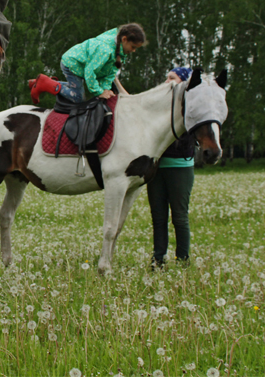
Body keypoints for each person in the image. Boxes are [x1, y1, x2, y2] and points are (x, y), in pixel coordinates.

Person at [147, 67, 195, 269]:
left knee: (179, 217)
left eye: (172, 78)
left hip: (180, 167)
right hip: (156, 168)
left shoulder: (189, 108)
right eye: (166, 77)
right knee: (158, 217)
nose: (166, 82)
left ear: (183, 82)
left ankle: (183, 260)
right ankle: (158, 259)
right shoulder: (158, 107)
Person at [58, 23, 146, 102]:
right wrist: (99, 92)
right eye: (133, 47)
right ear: (124, 39)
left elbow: (109, 74)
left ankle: (65, 85)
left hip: (82, 67)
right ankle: (50, 83)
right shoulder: (105, 50)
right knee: (78, 97)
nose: (134, 51)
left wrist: (105, 90)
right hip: (72, 63)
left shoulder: (119, 51)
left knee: (79, 89)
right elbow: (90, 72)